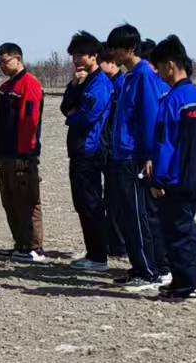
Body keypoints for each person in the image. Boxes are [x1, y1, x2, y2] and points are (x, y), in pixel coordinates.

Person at [103, 24, 169, 292]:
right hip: (121, 154)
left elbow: (151, 118)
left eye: (117, 49)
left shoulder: (144, 76)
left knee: (137, 216)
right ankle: (138, 266)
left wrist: (150, 155)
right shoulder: (128, 78)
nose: (113, 54)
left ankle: (149, 271)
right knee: (127, 217)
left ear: (131, 48)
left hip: (135, 158)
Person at [148, 36, 196, 301]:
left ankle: (187, 286)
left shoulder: (172, 100)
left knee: (176, 233)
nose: (157, 73)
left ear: (170, 65)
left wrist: (158, 179)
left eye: (159, 67)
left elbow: (165, 144)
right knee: (183, 228)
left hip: (175, 177)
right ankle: (181, 280)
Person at [61, 31, 116, 270]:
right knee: (82, 202)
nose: (76, 60)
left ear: (94, 56)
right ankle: (93, 253)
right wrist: (74, 86)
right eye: (74, 55)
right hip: (78, 149)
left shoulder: (100, 83)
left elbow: (86, 116)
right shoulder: (82, 81)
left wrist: (71, 116)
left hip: (90, 149)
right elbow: (65, 107)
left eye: (81, 55)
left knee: (91, 202)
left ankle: (98, 256)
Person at [0, 42, 46, 260]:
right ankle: (20, 243)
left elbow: (30, 121)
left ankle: (33, 247)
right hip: (6, 154)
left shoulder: (29, 84)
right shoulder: (5, 88)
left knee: (27, 201)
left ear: (18, 58)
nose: (2, 66)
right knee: (10, 202)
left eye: (5, 61)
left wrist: (26, 154)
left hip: (22, 155)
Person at [95, 51, 127, 260]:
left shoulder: (122, 85)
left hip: (117, 150)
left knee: (117, 199)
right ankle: (114, 241)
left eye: (101, 63)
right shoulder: (109, 84)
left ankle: (119, 244)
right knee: (110, 198)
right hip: (107, 147)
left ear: (112, 62)